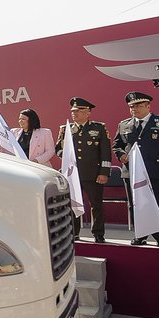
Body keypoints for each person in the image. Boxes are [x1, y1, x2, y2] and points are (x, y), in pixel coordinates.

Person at [112, 92, 159, 246]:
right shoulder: (124, 124)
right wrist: (121, 155)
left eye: (138, 105)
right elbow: (117, 145)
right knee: (135, 204)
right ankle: (140, 235)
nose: (134, 109)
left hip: (156, 170)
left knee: (157, 203)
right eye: (131, 106)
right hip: (132, 172)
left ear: (148, 106)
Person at [55, 98, 112, 242]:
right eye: (73, 111)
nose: (75, 113)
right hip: (72, 175)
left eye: (79, 111)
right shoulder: (65, 129)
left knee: (96, 205)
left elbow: (105, 152)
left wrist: (104, 172)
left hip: (93, 174)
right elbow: (58, 149)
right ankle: (74, 232)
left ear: (88, 113)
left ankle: (98, 233)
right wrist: (66, 156)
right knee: (73, 204)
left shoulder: (98, 128)